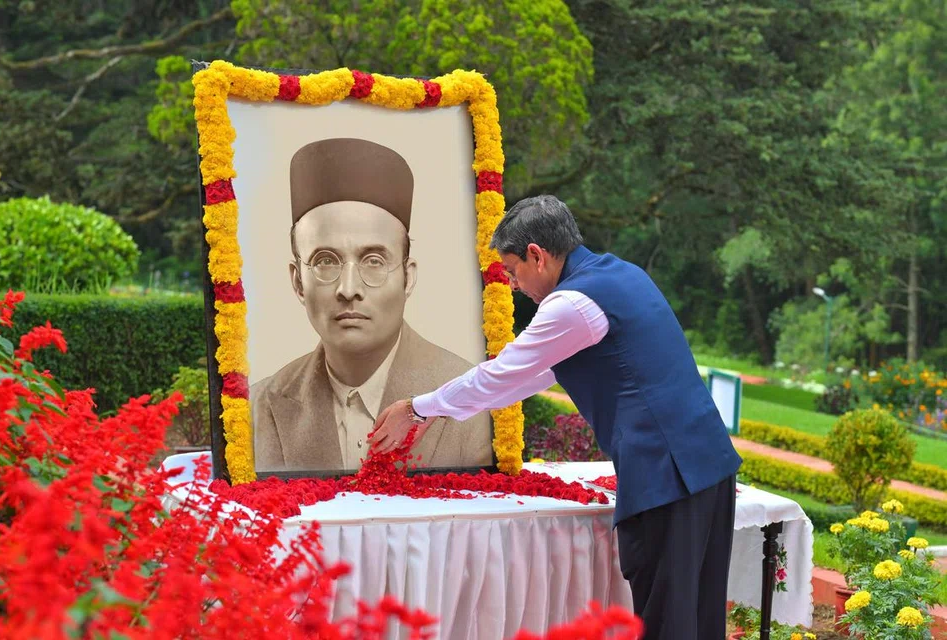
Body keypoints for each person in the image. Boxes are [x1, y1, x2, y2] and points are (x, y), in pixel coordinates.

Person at [370, 194, 743, 639]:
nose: (512, 284)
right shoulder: (623, 274)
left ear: (537, 255)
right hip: (707, 465)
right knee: (700, 620)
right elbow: (530, 377)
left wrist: (417, 408)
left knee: (668, 625)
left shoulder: (572, 304)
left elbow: (502, 375)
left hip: (667, 476)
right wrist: (439, 410)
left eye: (512, 271)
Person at [251, 137, 493, 474]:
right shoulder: (257, 407)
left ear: (408, 278)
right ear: (297, 282)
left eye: (374, 261)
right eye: (325, 261)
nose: (348, 289)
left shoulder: (475, 400)